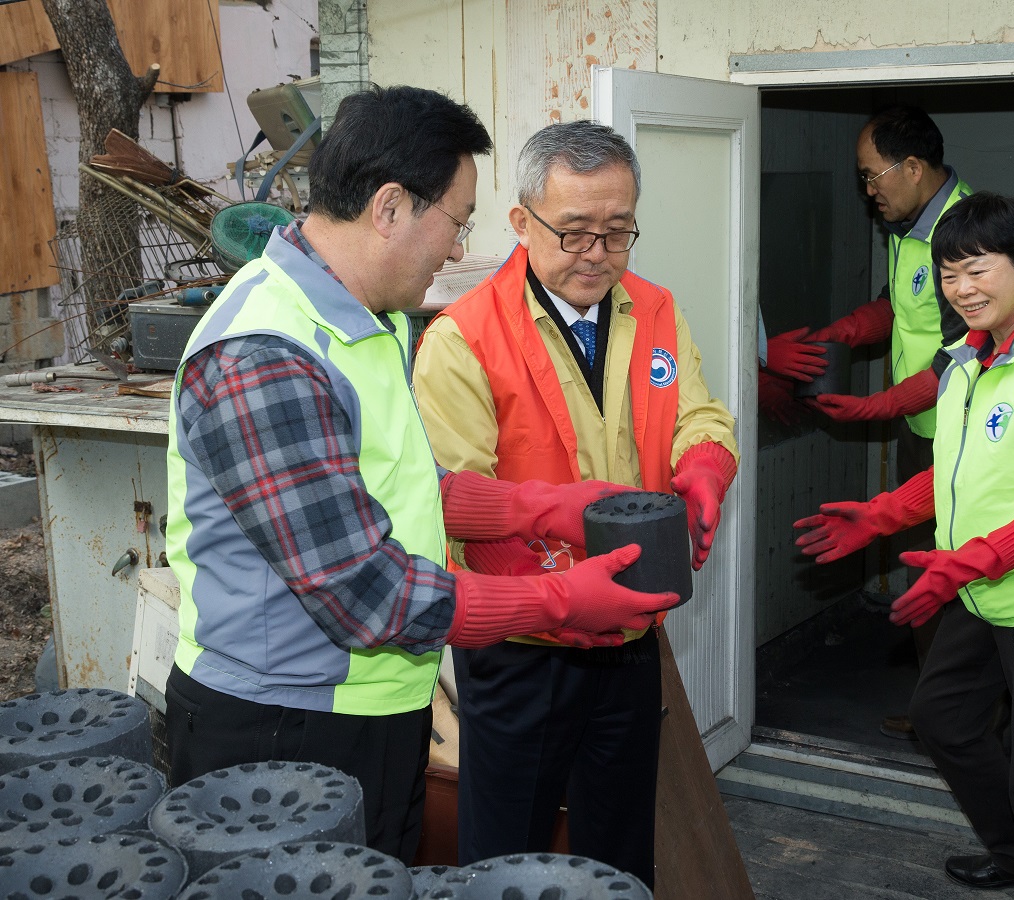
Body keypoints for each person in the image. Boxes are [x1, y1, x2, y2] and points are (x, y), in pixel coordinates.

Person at [162, 86, 679, 865]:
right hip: (281, 730)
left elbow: (410, 488)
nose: (456, 246)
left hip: (372, 707)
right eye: (458, 220)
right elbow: (371, 592)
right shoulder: (265, 355)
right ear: (391, 207)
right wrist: (561, 599)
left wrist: (548, 508)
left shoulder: (366, 320)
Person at [411, 120, 739, 889]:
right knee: (506, 854)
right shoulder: (463, 339)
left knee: (621, 843)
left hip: (629, 630)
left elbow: (699, 414)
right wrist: (559, 601)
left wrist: (704, 469)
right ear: (522, 223)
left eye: (618, 233)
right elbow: (457, 504)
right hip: (523, 646)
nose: (597, 254)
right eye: (575, 232)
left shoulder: (653, 308)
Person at [795, 193, 1014, 898]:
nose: (962, 289)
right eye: (949, 274)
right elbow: (960, 474)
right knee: (942, 719)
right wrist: (881, 515)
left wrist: (969, 562)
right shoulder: (969, 355)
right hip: (984, 589)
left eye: (977, 270)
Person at [769, 104, 973, 740]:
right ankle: (937, 713)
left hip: (969, 447)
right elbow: (902, 309)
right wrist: (849, 331)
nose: (867, 189)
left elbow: (966, 348)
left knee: (959, 579)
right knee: (924, 571)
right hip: (926, 437)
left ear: (911, 167)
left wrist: (880, 405)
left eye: (870, 174)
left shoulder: (964, 235)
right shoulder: (911, 230)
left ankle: (961, 722)